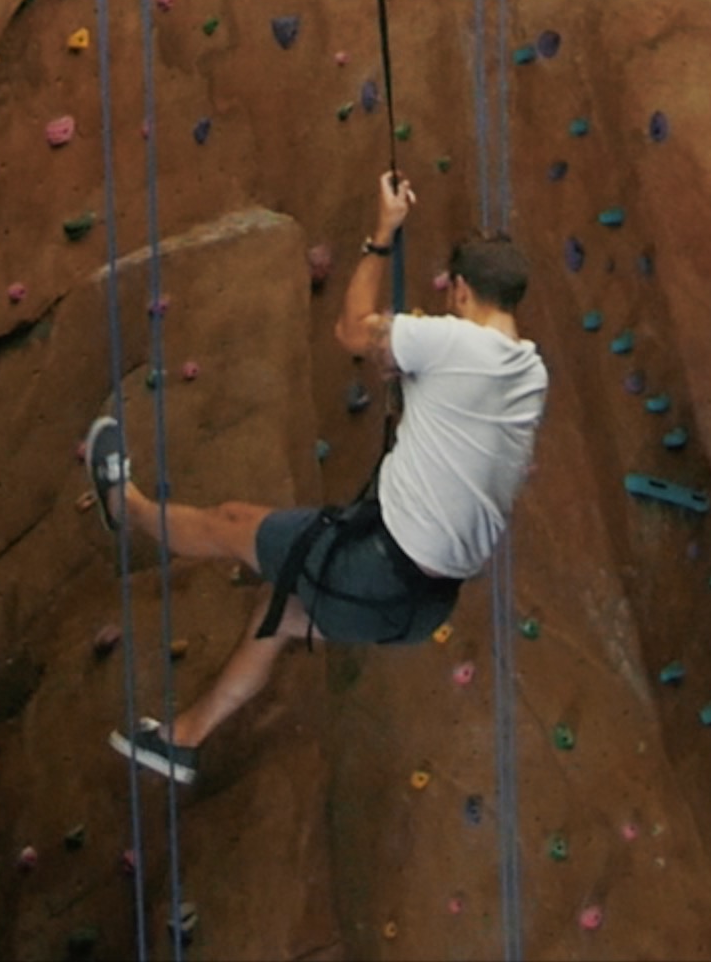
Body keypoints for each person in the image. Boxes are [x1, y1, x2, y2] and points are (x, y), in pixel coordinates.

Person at [90, 172, 546, 788]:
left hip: (379, 571)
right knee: (280, 610)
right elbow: (453, 408)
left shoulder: (454, 344)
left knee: (231, 523)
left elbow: (352, 331)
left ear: (461, 291)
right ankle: (183, 741)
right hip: (417, 604)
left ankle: (125, 506)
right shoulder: (529, 375)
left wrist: (382, 236)